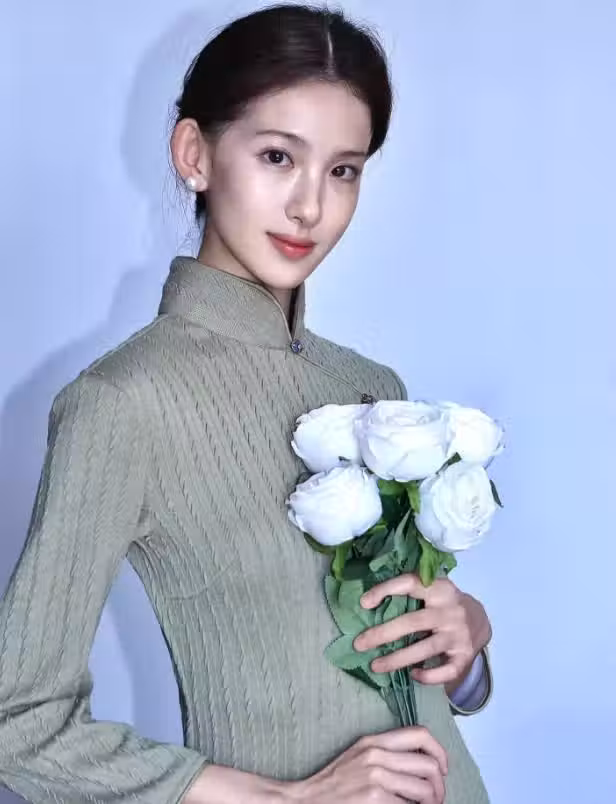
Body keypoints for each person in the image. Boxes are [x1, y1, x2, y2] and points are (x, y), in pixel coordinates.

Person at [0, 4, 494, 803]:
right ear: (194, 154)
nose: (310, 207)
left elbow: (406, 678)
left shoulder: (373, 389)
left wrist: (467, 651)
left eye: (343, 170)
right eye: (276, 157)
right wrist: (278, 797)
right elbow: (15, 720)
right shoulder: (121, 403)